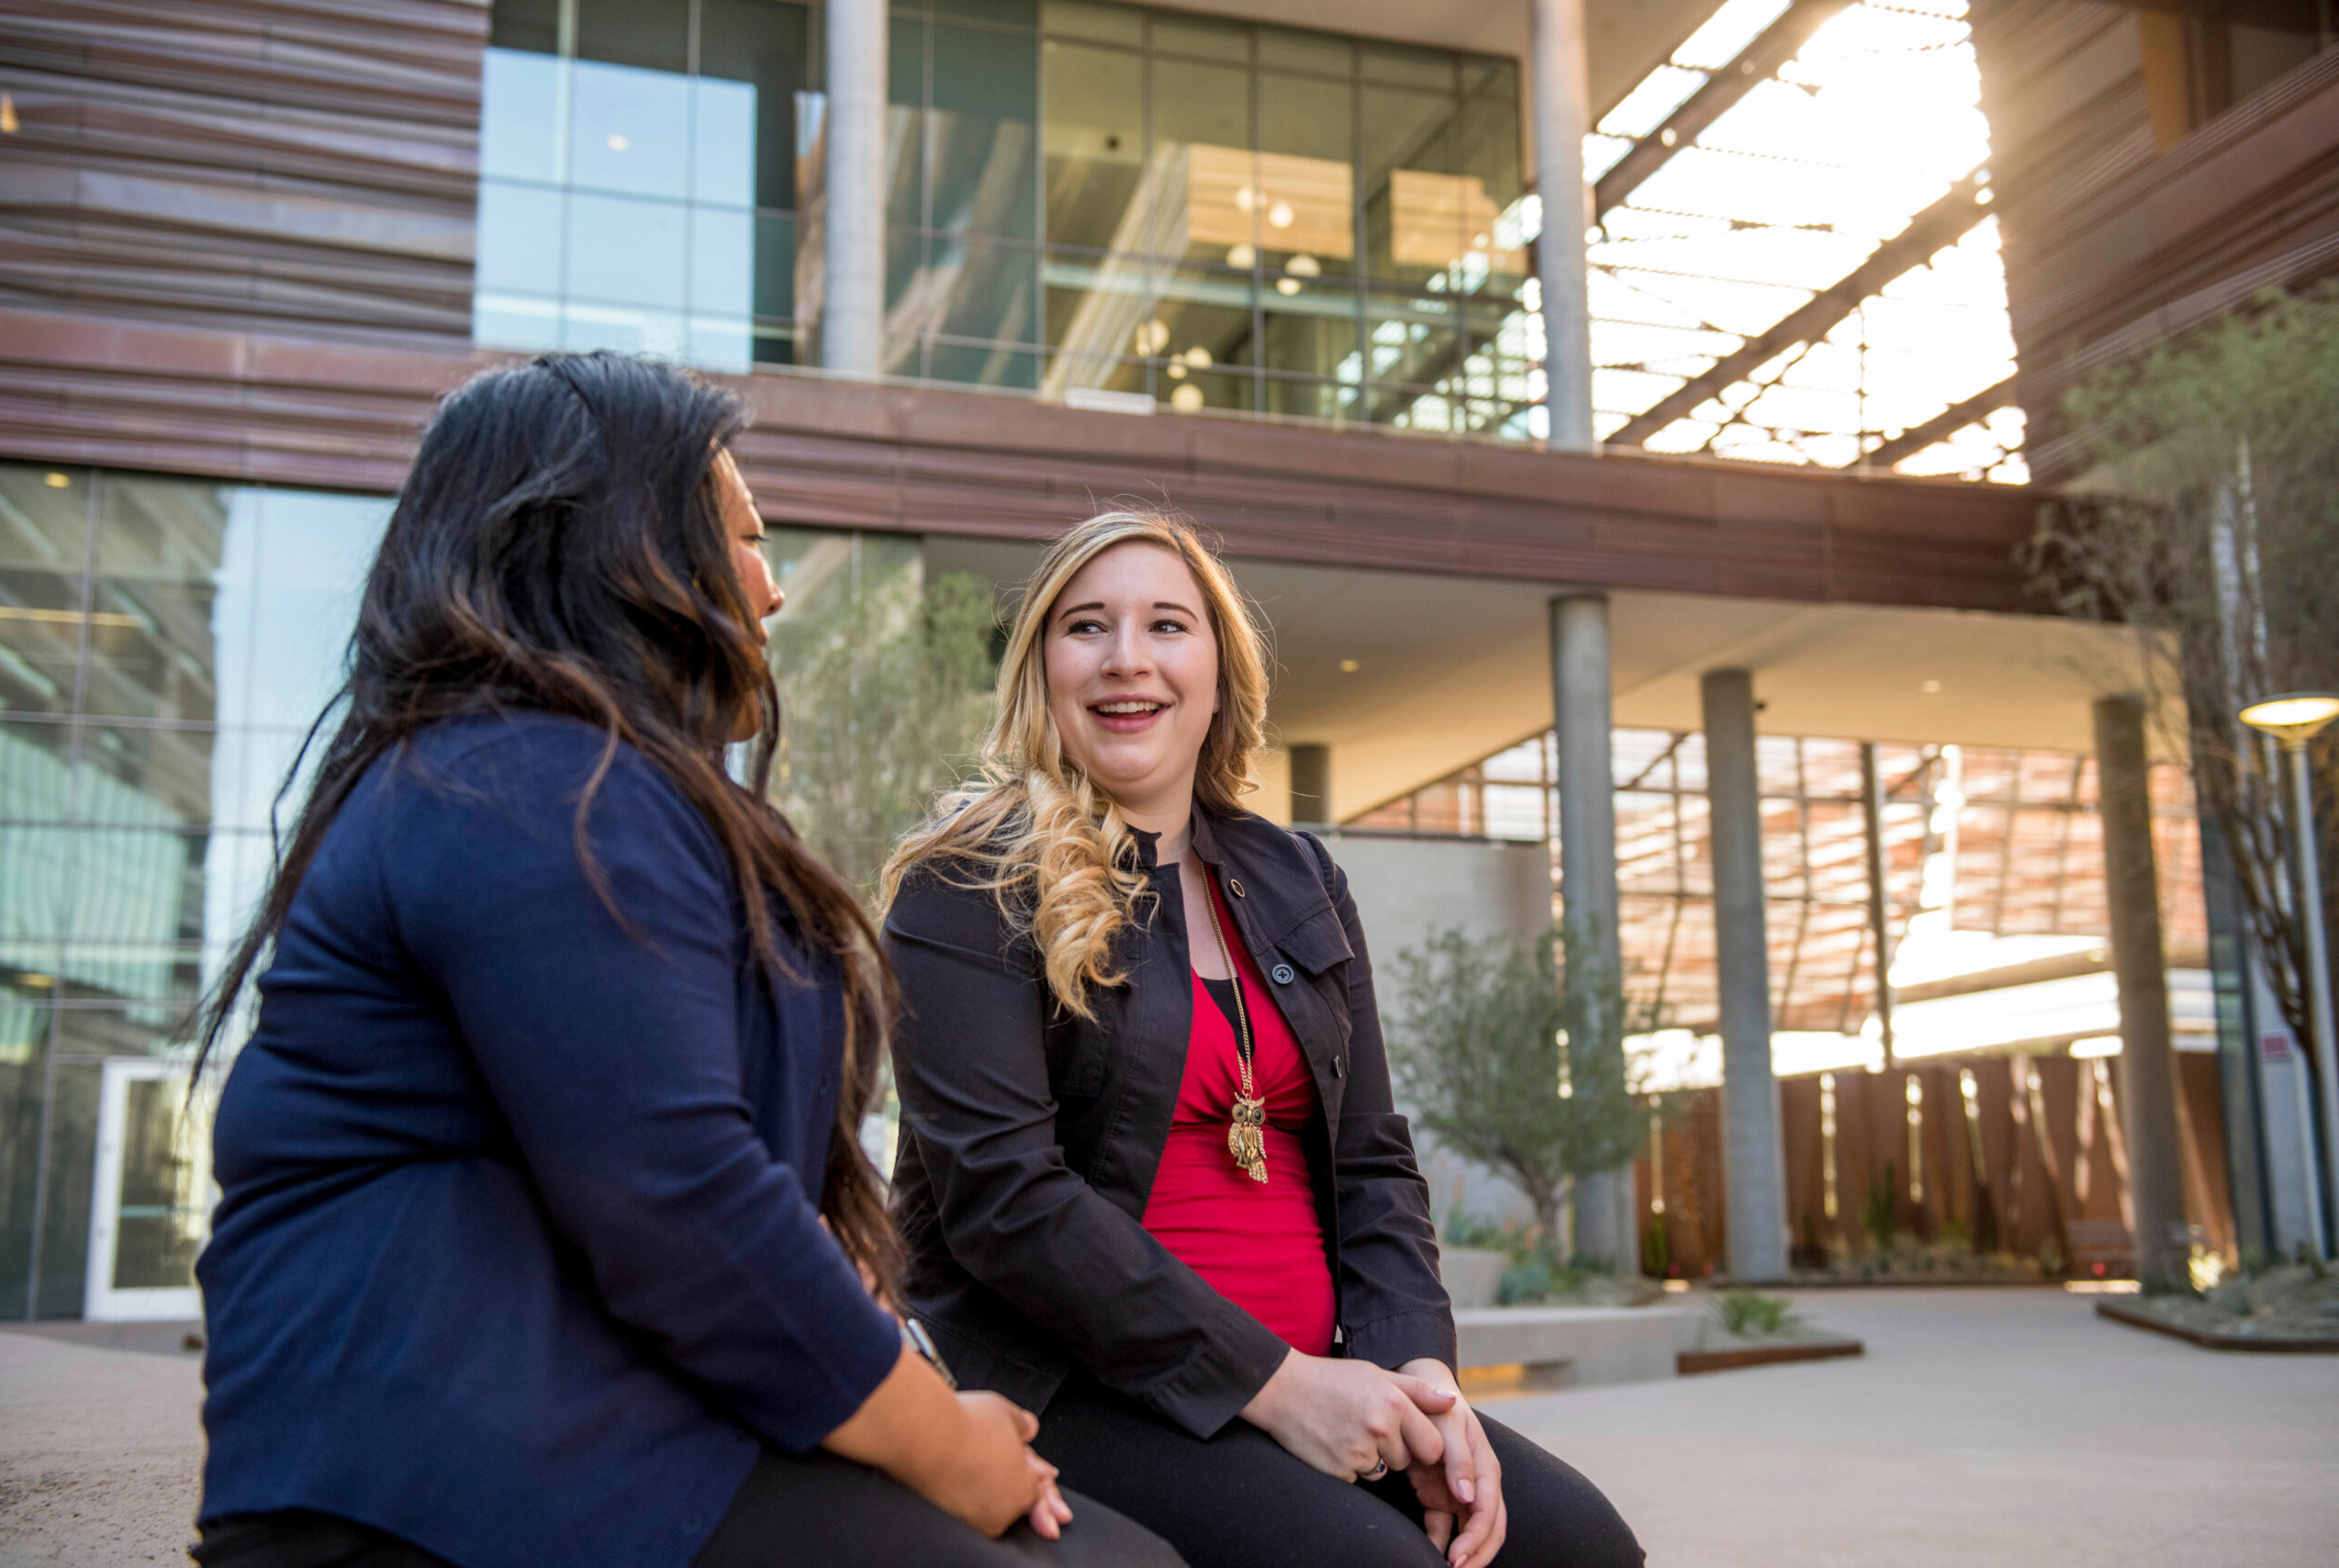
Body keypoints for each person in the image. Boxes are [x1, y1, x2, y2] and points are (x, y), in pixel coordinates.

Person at [187, 353, 1182, 1568]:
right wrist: (942, 1442)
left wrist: (924, 1403)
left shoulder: (586, 785)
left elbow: (744, 1191)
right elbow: (685, 1200)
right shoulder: (527, 786)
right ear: (625, 548)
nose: (771, 592)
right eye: (744, 539)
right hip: (435, 1483)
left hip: (606, 1437)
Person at [879, 510, 1645, 1568]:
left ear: (1219, 670)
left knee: (1578, 1547)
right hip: (1079, 1381)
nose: (1126, 660)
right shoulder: (968, 880)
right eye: (1087, 627)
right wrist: (1280, 1386)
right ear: (1040, 667)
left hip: (1324, 1372)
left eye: (1166, 626)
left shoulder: (1298, 877)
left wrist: (1416, 1376)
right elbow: (1007, 1203)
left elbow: (1374, 1158)